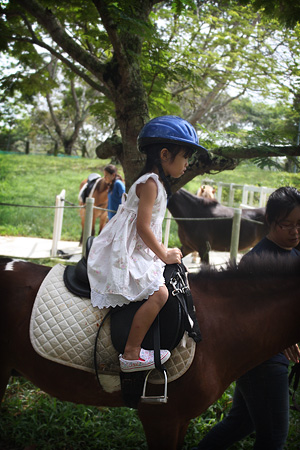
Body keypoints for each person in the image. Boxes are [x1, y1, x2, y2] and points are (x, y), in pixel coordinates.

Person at [88, 115, 207, 373]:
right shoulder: (151, 184)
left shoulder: (156, 183)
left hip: (136, 246)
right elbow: (142, 227)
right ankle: (131, 351)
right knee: (160, 293)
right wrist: (163, 254)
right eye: (185, 156)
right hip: (126, 250)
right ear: (165, 154)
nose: (187, 163)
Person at [191, 186, 300, 450]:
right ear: (270, 222)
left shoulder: (295, 249)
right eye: (288, 225)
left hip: (271, 358)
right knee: (274, 438)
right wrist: (281, 334)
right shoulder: (256, 262)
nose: (296, 231)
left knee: (242, 421)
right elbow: (244, 320)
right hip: (261, 359)